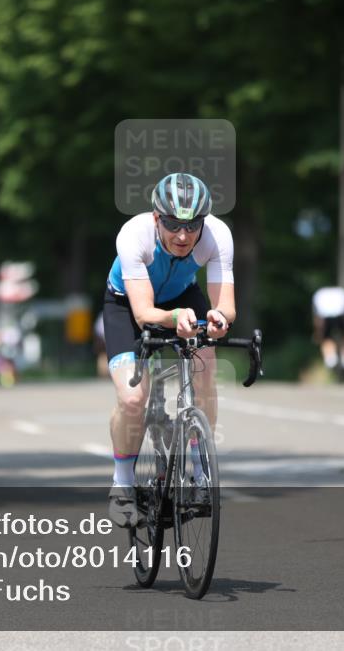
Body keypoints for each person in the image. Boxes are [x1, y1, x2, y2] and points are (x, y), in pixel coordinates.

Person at [102, 173, 235, 527]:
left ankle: (200, 471)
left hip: (182, 296)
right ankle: (122, 484)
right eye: (173, 224)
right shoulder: (134, 234)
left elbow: (226, 305)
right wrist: (175, 318)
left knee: (206, 363)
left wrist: (219, 319)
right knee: (133, 398)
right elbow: (144, 313)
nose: (183, 236)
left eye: (192, 226)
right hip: (128, 304)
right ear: (156, 218)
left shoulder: (218, 235)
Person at [312, 285, 344, 375]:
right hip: (341, 315)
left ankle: (330, 358)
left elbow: (317, 318)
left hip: (325, 316)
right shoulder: (342, 292)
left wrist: (318, 333)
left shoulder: (319, 294)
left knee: (326, 338)